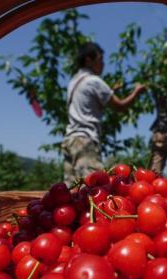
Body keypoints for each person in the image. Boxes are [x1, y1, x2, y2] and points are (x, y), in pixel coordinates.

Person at [62, 42, 146, 186]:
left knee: (72, 190)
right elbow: (120, 106)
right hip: (85, 140)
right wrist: (136, 92)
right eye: (100, 59)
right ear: (89, 60)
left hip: (70, 140)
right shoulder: (94, 81)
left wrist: (111, 90)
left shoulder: (74, 81)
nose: (103, 64)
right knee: (95, 187)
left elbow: (89, 100)